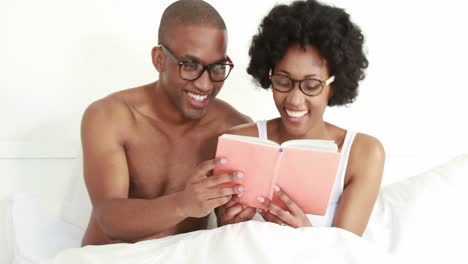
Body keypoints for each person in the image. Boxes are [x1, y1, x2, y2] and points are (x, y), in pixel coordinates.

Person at [80, 0, 250, 246]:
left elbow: (229, 230)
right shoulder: (110, 116)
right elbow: (109, 218)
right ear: (159, 59)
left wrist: (232, 219)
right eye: (190, 65)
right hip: (107, 258)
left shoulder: (235, 129)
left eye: (217, 67)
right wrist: (185, 203)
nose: (205, 84)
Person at [216, 0, 385, 236]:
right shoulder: (240, 140)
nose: (295, 100)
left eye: (311, 85)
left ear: (334, 86)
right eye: (283, 82)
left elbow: (345, 253)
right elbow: (223, 243)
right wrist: (225, 224)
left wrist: (305, 234)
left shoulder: (363, 153)